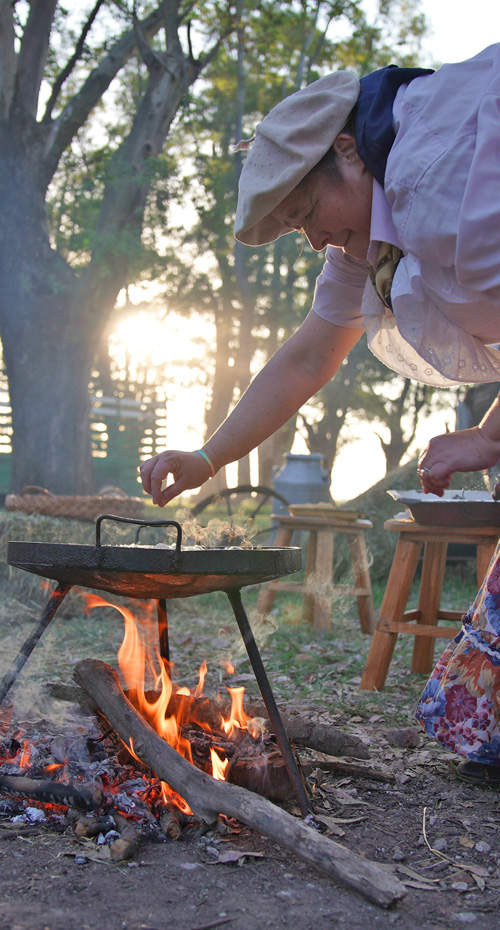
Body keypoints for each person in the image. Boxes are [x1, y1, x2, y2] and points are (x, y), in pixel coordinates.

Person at [140, 44, 500, 783]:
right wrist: (208, 457)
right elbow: (307, 358)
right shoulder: (367, 233)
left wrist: (488, 436)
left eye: (307, 212)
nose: (311, 238)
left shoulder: (439, 181)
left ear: (348, 151)